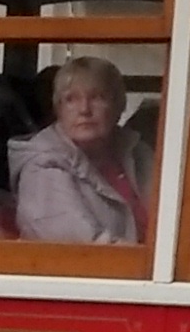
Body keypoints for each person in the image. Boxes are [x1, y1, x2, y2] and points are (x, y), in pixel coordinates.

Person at [11, 53, 155, 247]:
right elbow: (87, 247)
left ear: (119, 106)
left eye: (97, 97)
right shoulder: (42, 167)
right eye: (71, 99)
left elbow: (183, 217)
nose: (84, 110)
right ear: (58, 109)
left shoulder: (135, 150)